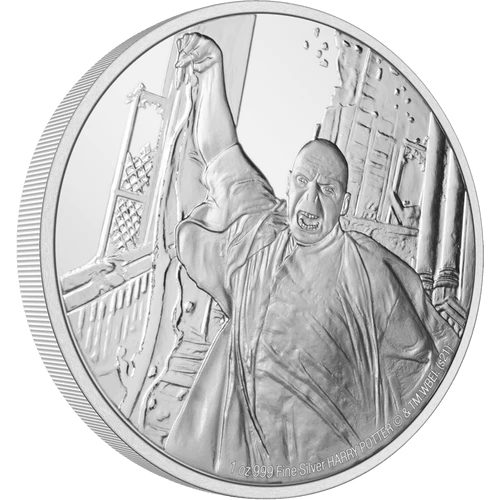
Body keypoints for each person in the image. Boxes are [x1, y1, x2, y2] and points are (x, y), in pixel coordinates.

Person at [164, 33, 459, 481]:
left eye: (327, 189)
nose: (311, 200)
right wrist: (212, 71)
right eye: (302, 182)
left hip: (333, 466)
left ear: (345, 202)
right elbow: (221, 152)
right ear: (288, 183)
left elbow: (420, 374)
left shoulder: (370, 271)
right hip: (245, 463)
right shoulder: (259, 235)